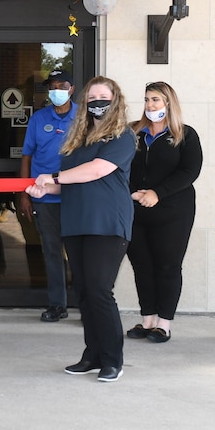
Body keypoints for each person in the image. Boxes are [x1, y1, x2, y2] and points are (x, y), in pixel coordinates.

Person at [26, 76, 135, 383]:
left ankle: (113, 359)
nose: (97, 102)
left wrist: (55, 178)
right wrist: (44, 189)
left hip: (107, 222)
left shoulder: (121, 136)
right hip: (76, 220)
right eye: (92, 98)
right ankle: (92, 355)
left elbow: (98, 170)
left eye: (104, 97)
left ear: (116, 101)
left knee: (100, 290)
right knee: (84, 292)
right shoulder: (76, 138)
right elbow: (69, 183)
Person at [125, 82, 202, 343]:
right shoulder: (133, 132)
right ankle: (147, 320)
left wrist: (157, 193)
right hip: (136, 208)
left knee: (167, 266)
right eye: (147, 100)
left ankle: (163, 324)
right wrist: (134, 192)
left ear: (168, 103)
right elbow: (120, 165)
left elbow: (189, 171)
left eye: (156, 100)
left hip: (173, 211)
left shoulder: (185, 135)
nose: (150, 105)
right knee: (142, 265)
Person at [18, 69, 77, 322]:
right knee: (52, 253)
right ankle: (57, 305)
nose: (56, 91)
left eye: (61, 86)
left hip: (76, 197)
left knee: (79, 254)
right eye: (52, 86)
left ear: (71, 89)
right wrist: (24, 193)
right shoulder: (39, 118)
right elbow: (27, 156)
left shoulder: (83, 118)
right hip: (44, 199)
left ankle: (88, 305)